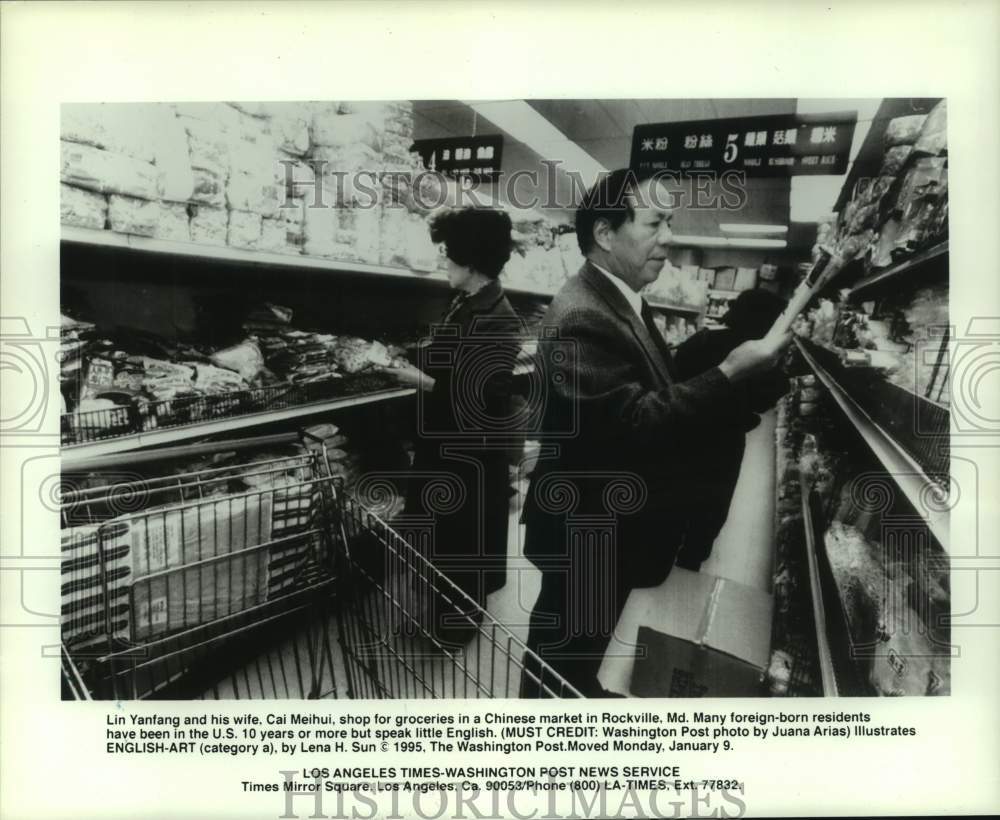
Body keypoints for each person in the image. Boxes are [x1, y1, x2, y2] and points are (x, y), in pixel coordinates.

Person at [519, 169, 792, 697]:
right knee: (559, 654)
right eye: (654, 223)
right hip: (588, 533)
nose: (668, 237)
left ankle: (577, 692)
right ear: (604, 233)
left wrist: (729, 393)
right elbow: (633, 422)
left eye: (670, 222)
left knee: (578, 645)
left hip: (604, 527)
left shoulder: (621, 300)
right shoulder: (584, 313)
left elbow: (652, 392)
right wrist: (729, 371)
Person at [392, 206, 521, 645]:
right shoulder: (465, 303)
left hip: (467, 459)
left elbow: (483, 398)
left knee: (460, 545)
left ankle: (455, 629)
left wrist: (419, 380)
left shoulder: (500, 320)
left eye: (449, 256)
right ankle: (436, 614)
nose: (443, 263)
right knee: (436, 540)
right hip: (443, 449)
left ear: (471, 260)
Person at [671, 289, 790, 572]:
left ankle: (664, 543)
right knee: (712, 503)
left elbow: (673, 373)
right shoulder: (764, 358)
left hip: (682, 429)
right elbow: (765, 401)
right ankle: (691, 558)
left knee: (674, 488)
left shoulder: (703, 339)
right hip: (725, 440)